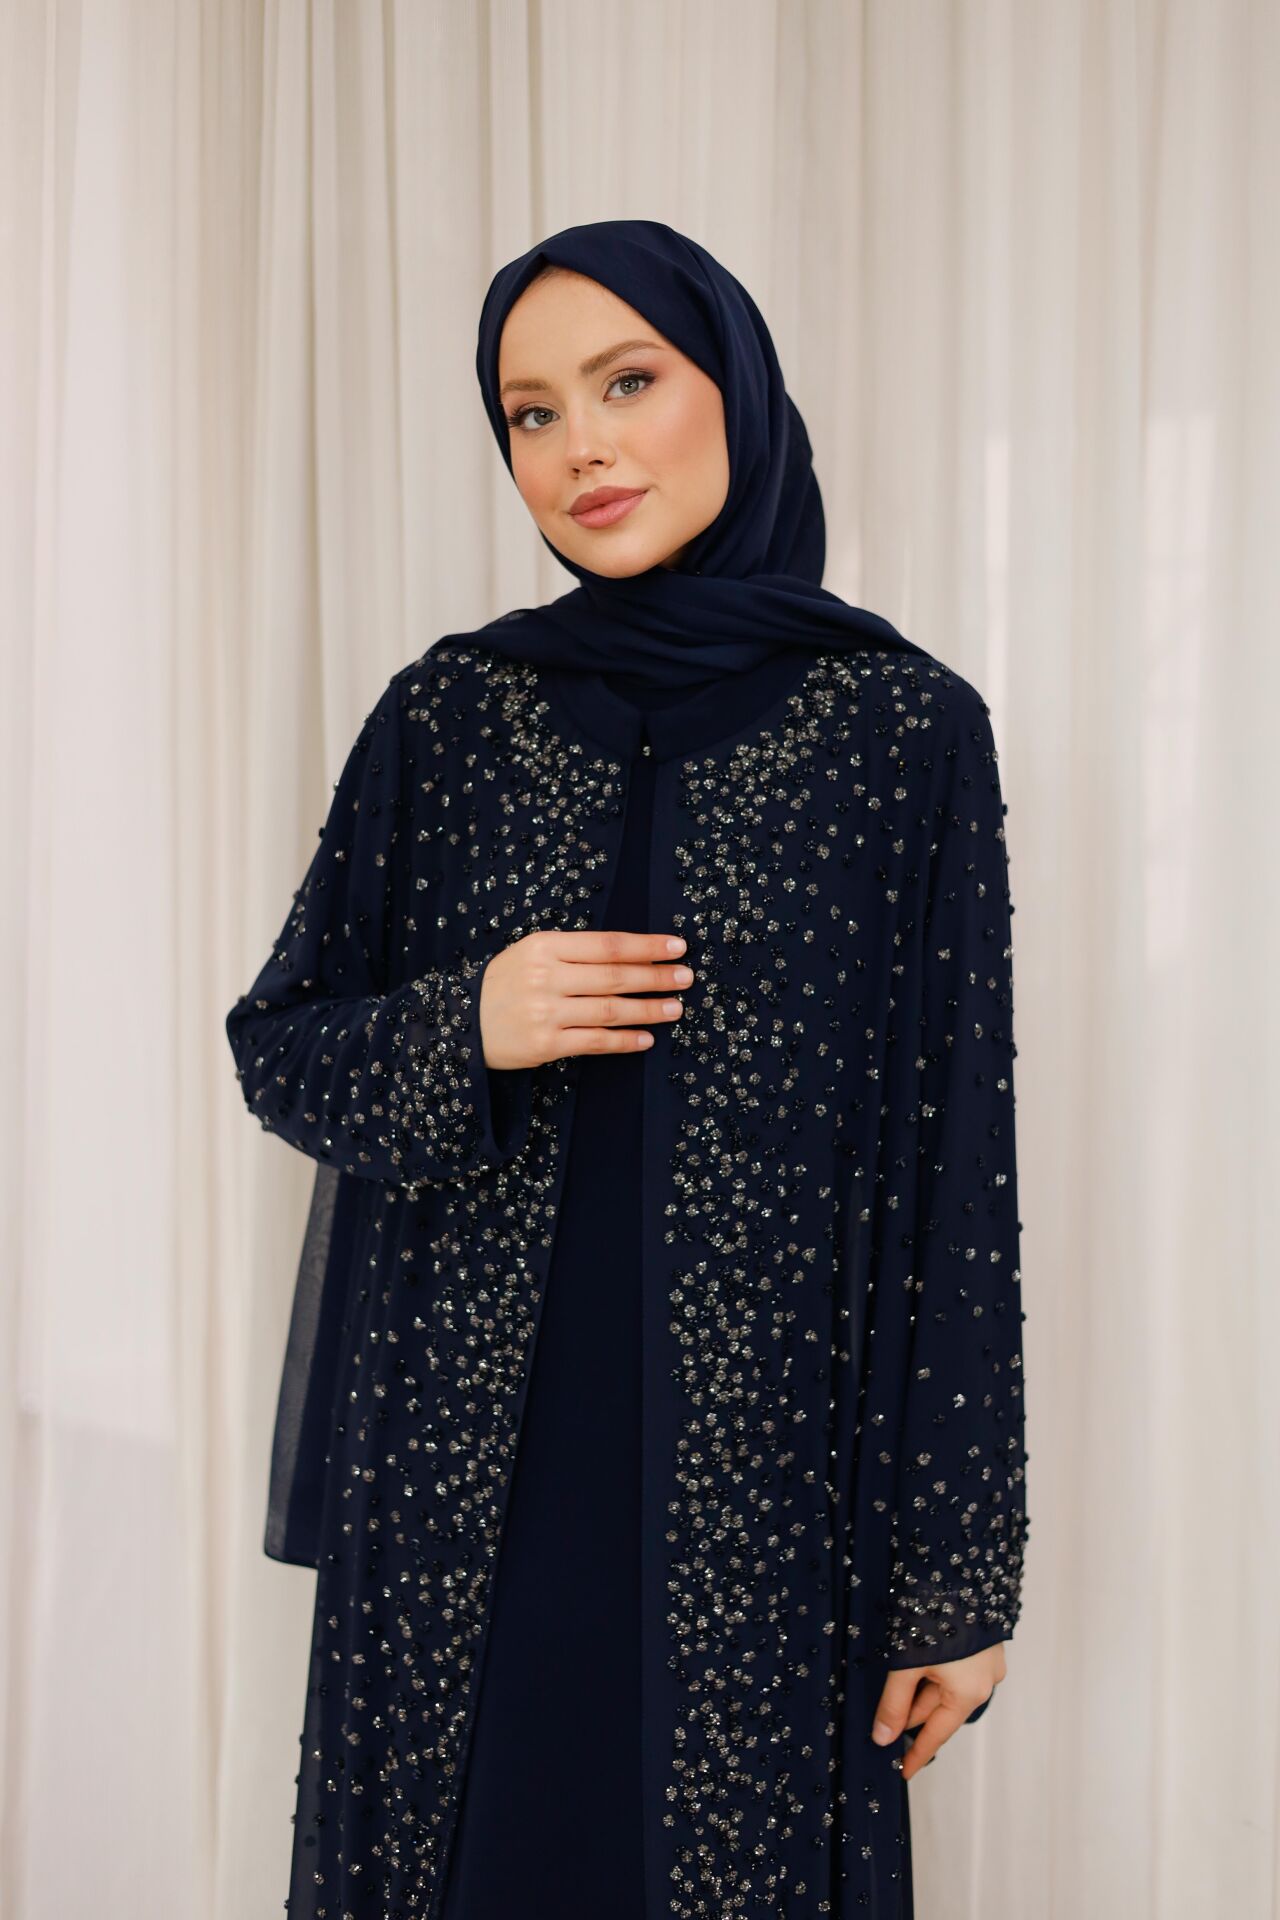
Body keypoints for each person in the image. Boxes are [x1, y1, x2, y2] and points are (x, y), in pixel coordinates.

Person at [225, 218, 1029, 1920]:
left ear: (734, 388)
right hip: (465, 1487)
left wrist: (957, 1575)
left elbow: (960, 1159)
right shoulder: (451, 719)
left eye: (627, 382)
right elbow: (279, 1050)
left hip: (773, 1498)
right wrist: (469, 1020)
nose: (579, 445)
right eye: (531, 413)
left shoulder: (901, 733)